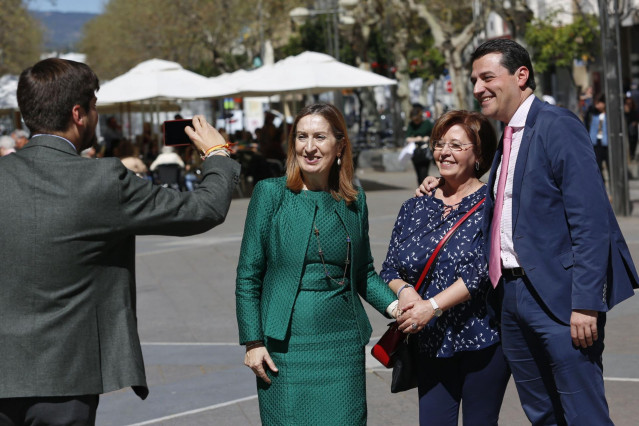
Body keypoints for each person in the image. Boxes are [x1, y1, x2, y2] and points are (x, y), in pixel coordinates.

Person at [0, 58, 240, 425]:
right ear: (78, 113)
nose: (97, 115)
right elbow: (203, 208)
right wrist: (216, 154)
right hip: (67, 378)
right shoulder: (102, 180)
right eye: (95, 106)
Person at [422, 38, 638, 425]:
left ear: (521, 76)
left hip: (559, 300)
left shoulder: (558, 126)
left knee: (583, 413)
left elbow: (590, 221)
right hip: (511, 298)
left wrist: (586, 301)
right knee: (542, 413)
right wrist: (439, 185)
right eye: (474, 79)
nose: (477, 88)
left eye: (487, 77)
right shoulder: (506, 137)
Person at [236, 103, 398, 425]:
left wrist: (397, 308)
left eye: (319, 137)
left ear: (339, 145)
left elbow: (363, 272)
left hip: (342, 345)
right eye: (301, 137)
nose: (309, 147)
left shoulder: (355, 199)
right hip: (283, 347)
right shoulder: (270, 194)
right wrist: (253, 342)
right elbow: (248, 276)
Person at [381, 110, 509, 425]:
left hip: (482, 338)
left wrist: (433, 306)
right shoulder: (415, 205)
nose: (444, 152)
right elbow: (389, 268)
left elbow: (483, 272)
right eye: (439, 144)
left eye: (455, 145)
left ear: (479, 155)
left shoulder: (492, 205)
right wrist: (407, 293)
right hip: (430, 341)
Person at [406, 105, 434, 184]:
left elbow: (434, 134)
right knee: (418, 174)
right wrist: (416, 139)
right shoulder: (411, 124)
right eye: (414, 120)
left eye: (417, 120)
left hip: (425, 151)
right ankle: (420, 191)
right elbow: (407, 138)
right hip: (415, 151)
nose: (416, 122)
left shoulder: (427, 123)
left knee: (424, 173)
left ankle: (426, 190)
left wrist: (427, 138)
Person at [588, 94, 608, 180]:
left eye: (599, 103)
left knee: (609, 164)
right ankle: (602, 185)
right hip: (596, 142)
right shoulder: (594, 114)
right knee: (598, 165)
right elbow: (590, 109)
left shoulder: (609, 115)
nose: (597, 106)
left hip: (606, 142)